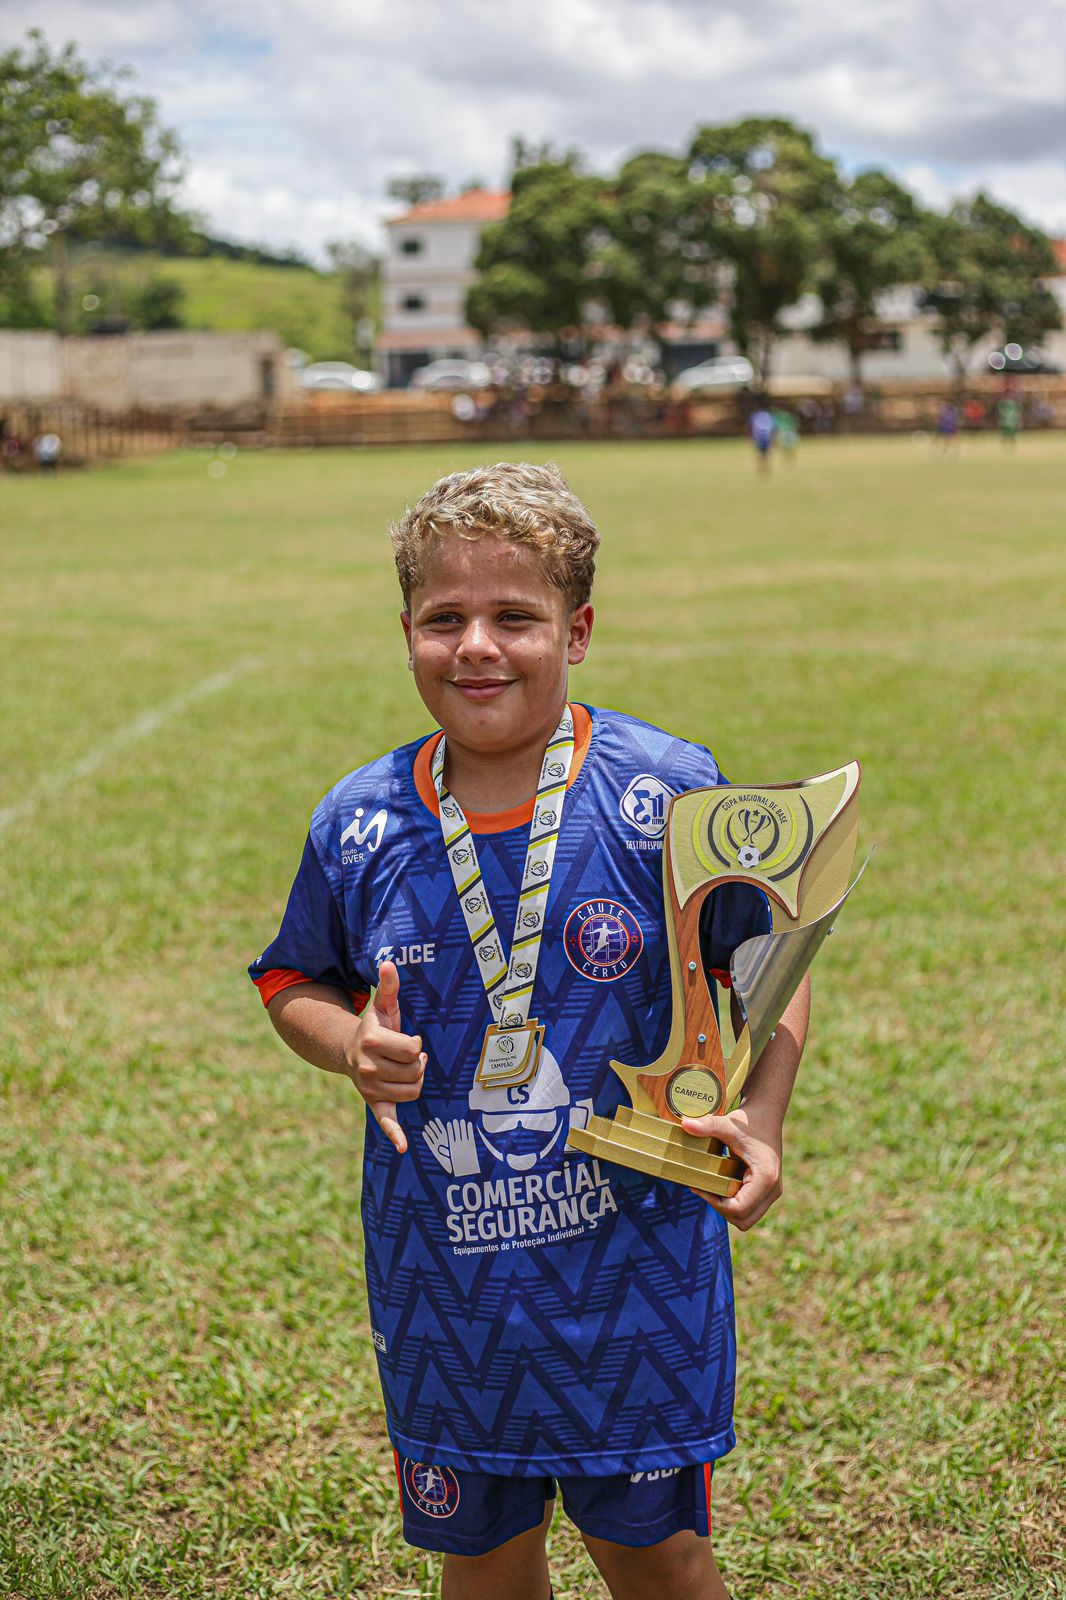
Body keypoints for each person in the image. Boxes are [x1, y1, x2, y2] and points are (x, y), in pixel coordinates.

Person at [249, 462, 811, 1600]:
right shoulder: (360, 821)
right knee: (482, 1565)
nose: (476, 647)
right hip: (444, 1279)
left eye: (515, 616)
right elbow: (293, 976)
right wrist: (347, 1043)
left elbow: (763, 958)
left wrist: (761, 1117)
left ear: (578, 631)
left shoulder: (665, 791)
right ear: (405, 632)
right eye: (442, 619)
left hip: (635, 1270)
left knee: (660, 1560)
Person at [747, 404, 776, 473]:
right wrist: (774, 438)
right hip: (767, 436)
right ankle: (766, 467)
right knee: (767, 453)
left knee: (759, 453)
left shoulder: (754, 415)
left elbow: (751, 427)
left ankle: (760, 468)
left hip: (758, 437)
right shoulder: (768, 415)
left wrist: (752, 438)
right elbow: (773, 427)